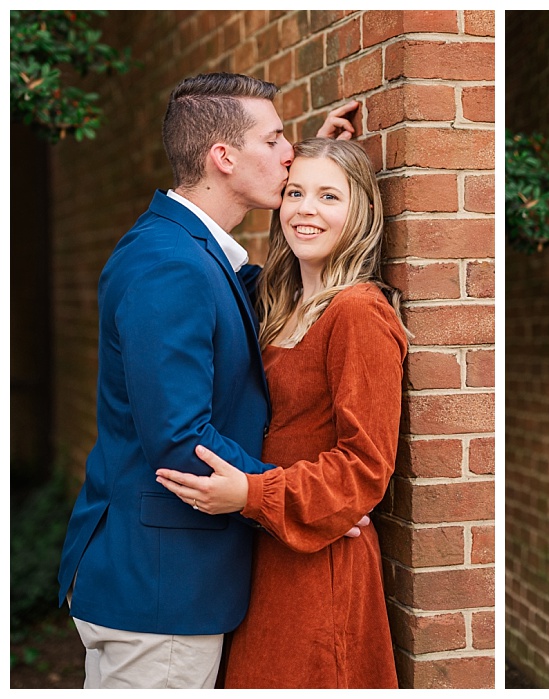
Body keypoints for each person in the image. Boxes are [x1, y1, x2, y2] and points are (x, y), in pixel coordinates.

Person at [56, 72, 359, 689]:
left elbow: (260, 291)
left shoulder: (195, 254)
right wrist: (295, 497)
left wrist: (309, 185)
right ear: (224, 158)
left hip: (165, 578)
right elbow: (179, 437)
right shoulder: (167, 264)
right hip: (161, 587)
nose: (289, 152)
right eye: (275, 141)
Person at [154, 138, 406, 689]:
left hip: (320, 566)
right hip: (263, 554)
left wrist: (252, 493)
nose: (306, 209)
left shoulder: (359, 313)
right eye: (295, 193)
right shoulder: (273, 302)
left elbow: (365, 467)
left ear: (361, 211)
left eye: (329, 196)